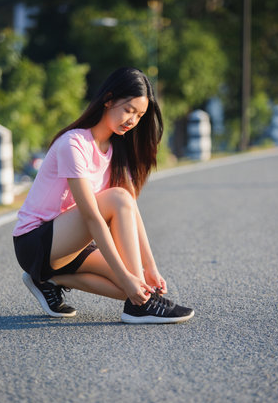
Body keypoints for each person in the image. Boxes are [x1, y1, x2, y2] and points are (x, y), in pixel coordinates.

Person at [13, 67, 194, 324]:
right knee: (128, 272)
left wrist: (148, 270)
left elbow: (130, 209)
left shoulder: (115, 150)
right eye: (129, 109)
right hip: (35, 241)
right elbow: (92, 217)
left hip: (72, 245)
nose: (132, 120)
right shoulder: (74, 143)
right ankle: (140, 309)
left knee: (136, 291)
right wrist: (126, 274)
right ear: (108, 100)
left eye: (139, 115)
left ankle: (47, 279)